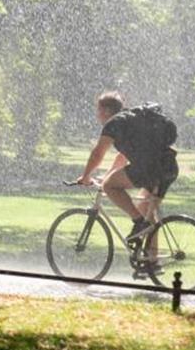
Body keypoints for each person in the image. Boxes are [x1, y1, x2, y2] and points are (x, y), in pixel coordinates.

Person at [75, 90, 179, 243]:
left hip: (151, 169)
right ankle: (151, 262)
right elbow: (122, 157)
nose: (97, 115)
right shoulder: (132, 119)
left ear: (106, 110)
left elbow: (98, 153)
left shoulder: (114, 124)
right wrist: (107, 175)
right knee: (147, 215)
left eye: (98, 110)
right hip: (168, 167)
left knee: (110, 186)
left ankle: (138, 223)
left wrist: (86, 176)